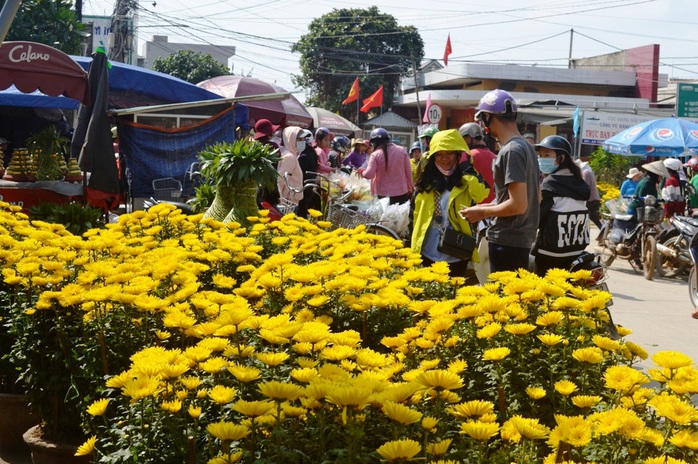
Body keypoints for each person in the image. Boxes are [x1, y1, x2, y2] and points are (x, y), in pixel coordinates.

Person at [460, 89, 540, 273]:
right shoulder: (526, 147)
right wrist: (483, 207)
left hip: (507, 241)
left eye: (482, 118)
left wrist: (483, 213)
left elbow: (519, 205)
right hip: (521, 239)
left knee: (502, 298)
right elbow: (535, 196)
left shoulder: (511, 150)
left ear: (488, 117)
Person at [410, 129, 489, 281]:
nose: (444, 159)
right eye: (439, 154)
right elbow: (413, 215)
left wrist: (467, 168)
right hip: (426, 252)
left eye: (449, 153)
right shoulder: (425, 182)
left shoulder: (467, 180)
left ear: (458, 154)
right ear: (433, 157)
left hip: (457, 253)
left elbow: (481, 194)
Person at [532, 136, 591, 276]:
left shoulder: (550, 184)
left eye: (547, 155)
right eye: (540, 155)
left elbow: (537, 219)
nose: (541, 159)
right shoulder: (579, 182)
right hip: (576, 250)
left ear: (561, 158)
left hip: (551, 253)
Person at [358, 128, 413, 205]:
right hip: (402, 193)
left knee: (385, 217)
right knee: (401, 216)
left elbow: (369, 175)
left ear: (373, 143)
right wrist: (411, 187)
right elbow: (408, 172)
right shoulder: (401, 150)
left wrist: (362, 172)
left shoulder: (375, 155)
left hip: (384, 196)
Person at [459, 122, 496, 204]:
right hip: (494, 207)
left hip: (474, 209)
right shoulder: (495, 157)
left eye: (463, 139)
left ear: (468, 137)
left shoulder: (467, 156)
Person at [277, 126, 305, 205]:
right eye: (299, 139)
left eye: (303, 139)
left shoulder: (292, 155)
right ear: (291, 139)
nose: (302, 142)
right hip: (288, 202)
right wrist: (281, 200)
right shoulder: (290, 157)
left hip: (291, 200)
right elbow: (281, 179)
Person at [297, 129, 321, 218]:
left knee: (301, 213)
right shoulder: (310, 152)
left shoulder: (304, 156)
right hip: (309, 188)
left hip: (304, 189)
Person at [576, 159, 603, 229]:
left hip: (590, 198)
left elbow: (585, 186)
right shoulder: (588, 171)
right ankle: (602, 228)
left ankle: (602, 228)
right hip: (593, 197)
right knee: (594, 215)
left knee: (591, 215)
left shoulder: (585, 173)